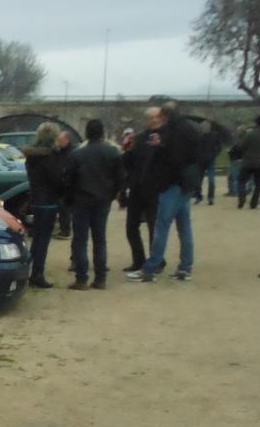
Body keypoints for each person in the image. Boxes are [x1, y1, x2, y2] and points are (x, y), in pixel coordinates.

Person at [127, 100, 198, 282]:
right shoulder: (192, 128)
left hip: (172, 184)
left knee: (162, 226)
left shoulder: (174, 132)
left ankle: (151, 268)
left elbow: (173, 158)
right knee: (184, 226)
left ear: (166, 116)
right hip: (187, 184)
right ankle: (185, 267)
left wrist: (160, 147)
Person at [64, 119, 123, 290]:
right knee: (100, 239)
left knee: (81, 239)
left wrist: (69, 200)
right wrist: (112, 194)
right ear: (102, 133)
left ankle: (81, 278)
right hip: (103, 199)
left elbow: (69, 180)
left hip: (81, 199)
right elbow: (120, 177)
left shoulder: (77, 154)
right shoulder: (112, 152)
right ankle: (100, 278)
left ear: (87, 133)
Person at [21, 122, 65, 289]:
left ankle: (31, 270)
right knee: (43, 239)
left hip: (36, 198)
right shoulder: (51, 156)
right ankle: (38, 273)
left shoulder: (31, 155)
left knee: (37, 238)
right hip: (49, 200)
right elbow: (56, 179)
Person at [120, 108, 162, 271]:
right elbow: (128, 163)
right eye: (151, 118)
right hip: (137, 188)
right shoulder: (139, 138)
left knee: (154, 227)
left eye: (157, 117)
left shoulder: (166, 138)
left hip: (155, 189)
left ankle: (156, 260)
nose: (154, 120)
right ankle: (139, 260)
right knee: (131, 227)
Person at [238, 115, 260, 209]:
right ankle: (254, 203)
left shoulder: (249, 134)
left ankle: (242, 198)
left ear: (256, 123)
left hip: (247, 162)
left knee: (242, 181)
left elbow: (241, 146)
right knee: (258, 184)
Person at [54, 130, 74, 239]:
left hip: (67, 184)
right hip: (61, 183)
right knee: (63, 208)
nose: (58, 142)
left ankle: (65, 231)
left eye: (60, 140)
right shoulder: (61, 151)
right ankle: (64, 229)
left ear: (66, 140)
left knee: (64, 208)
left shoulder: (71, 152)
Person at [195, 121, 219, 205]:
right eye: (204, 127)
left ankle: (210, 197)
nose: (205, 128)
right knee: (198, 181)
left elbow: (219, 146)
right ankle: (198, 197)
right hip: (200, 161)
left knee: (211, 181)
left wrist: (215, 154)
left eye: (207, 127)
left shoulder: (215, 135)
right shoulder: (198, 135)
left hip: (210, 160)